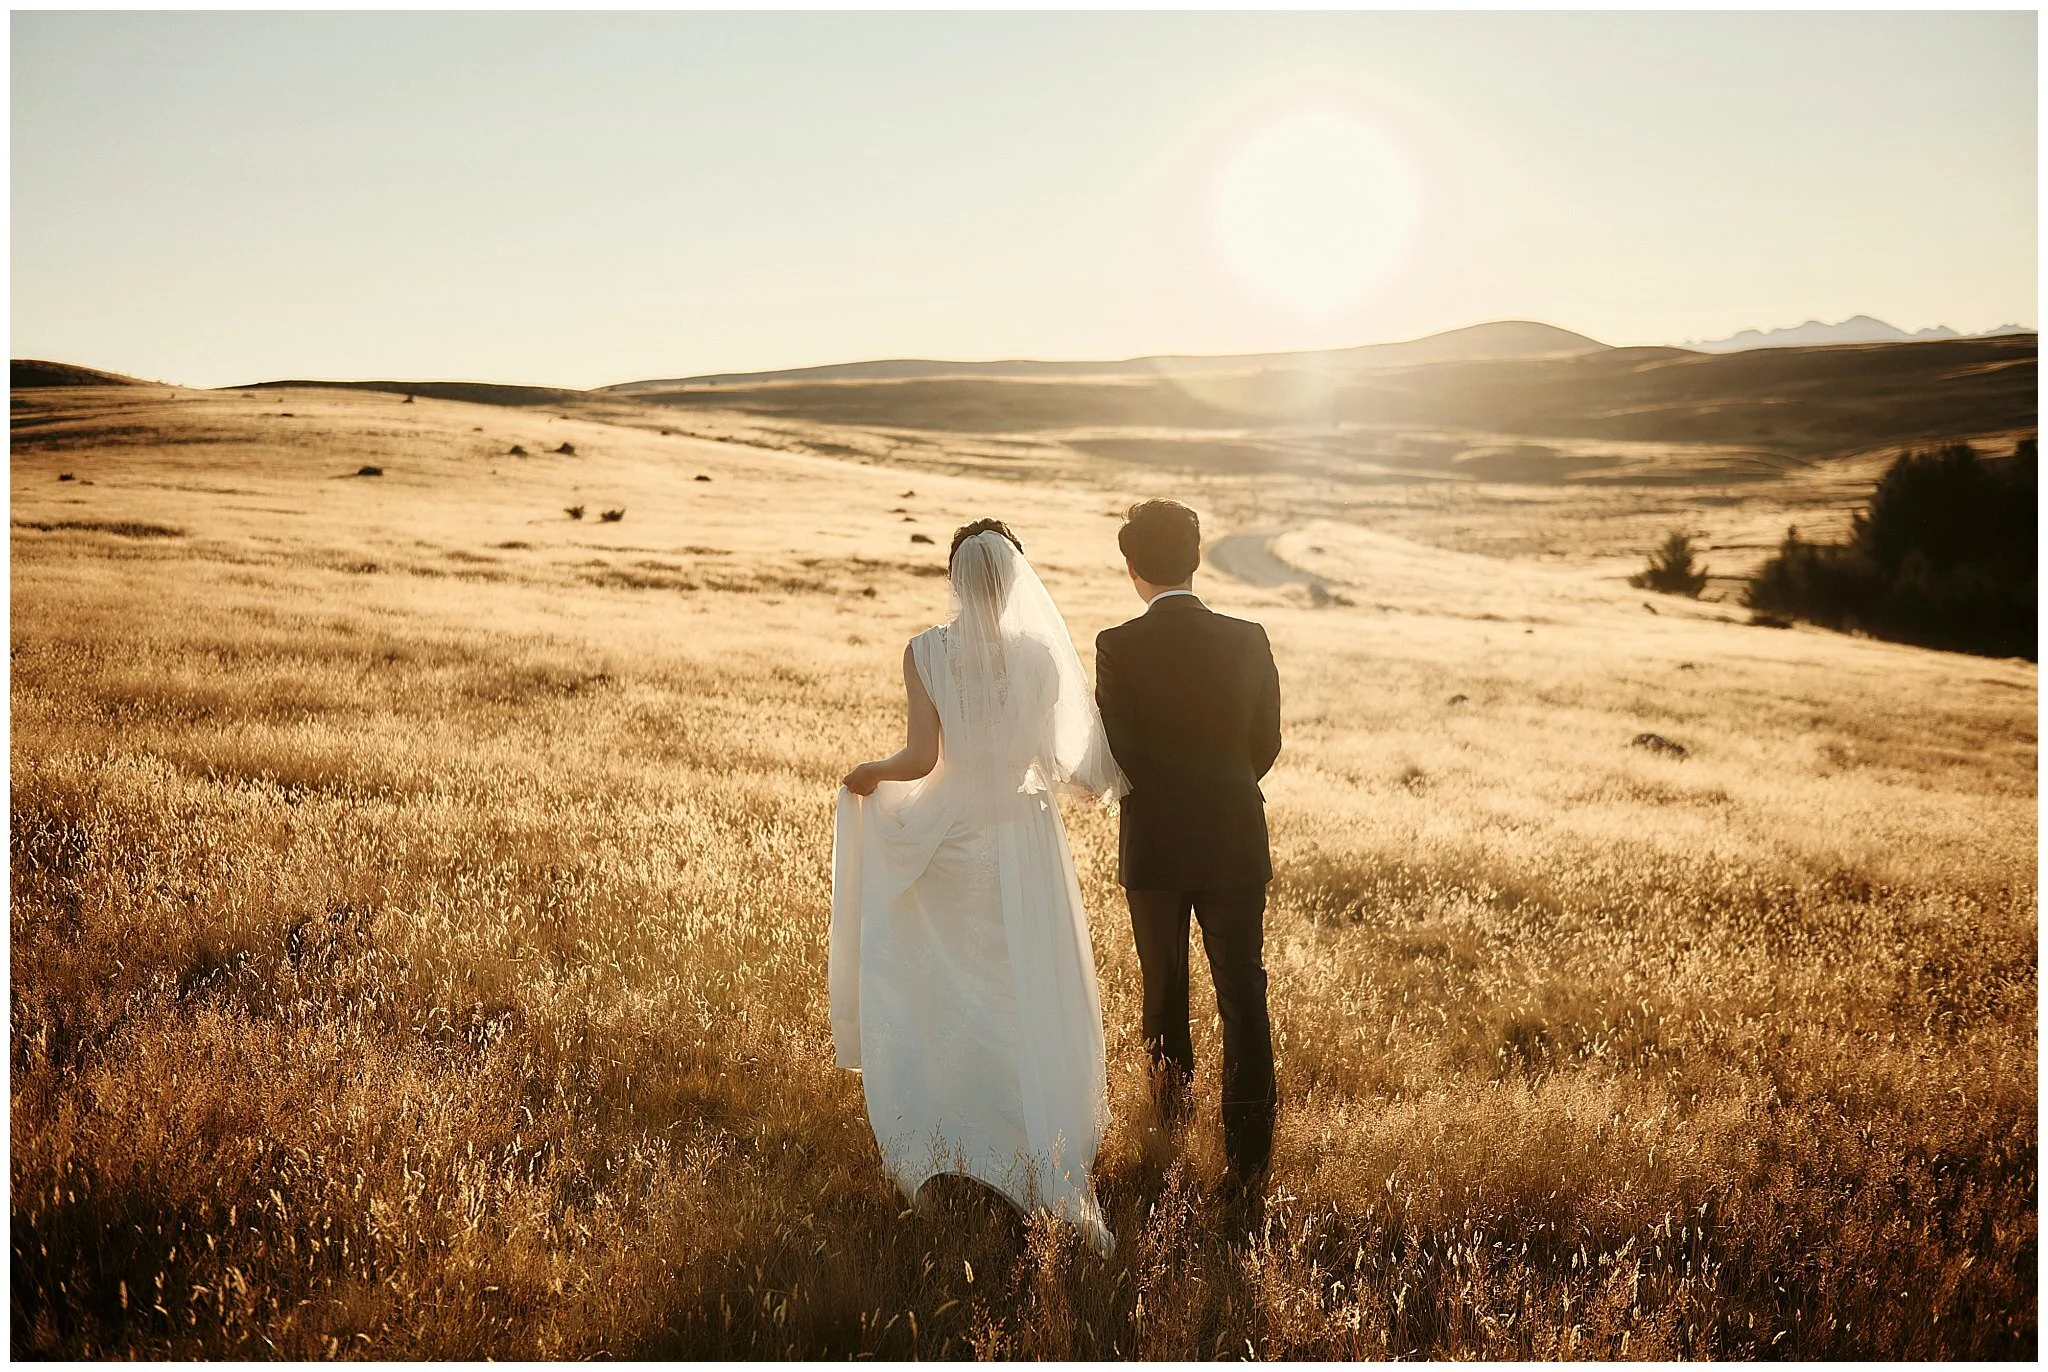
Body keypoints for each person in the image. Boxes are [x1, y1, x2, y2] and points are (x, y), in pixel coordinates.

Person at [830, 519, 1127, 1254]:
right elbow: (1059, 763)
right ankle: (1036, 1142)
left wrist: (871, 773)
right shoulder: (1039, 658)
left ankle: (957, 1134)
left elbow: (922, 757)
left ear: (956, 578)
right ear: (1017, 580)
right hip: (1025, 835)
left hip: (956, 835)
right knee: (1024, 979)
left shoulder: (927, 651)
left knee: (950, 983)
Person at [1093, 499, 1282, 1195]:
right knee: (1244, 994)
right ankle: (1250, 1156)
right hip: (1235, 834)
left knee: (1164, 993)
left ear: (1132, 568)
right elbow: (1267, 742)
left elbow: (1124, 750)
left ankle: (1168, 1140)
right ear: (1198, 559)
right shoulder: (1248, 636)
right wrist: (1225, 787)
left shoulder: (1118, 644)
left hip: (1156, 845)